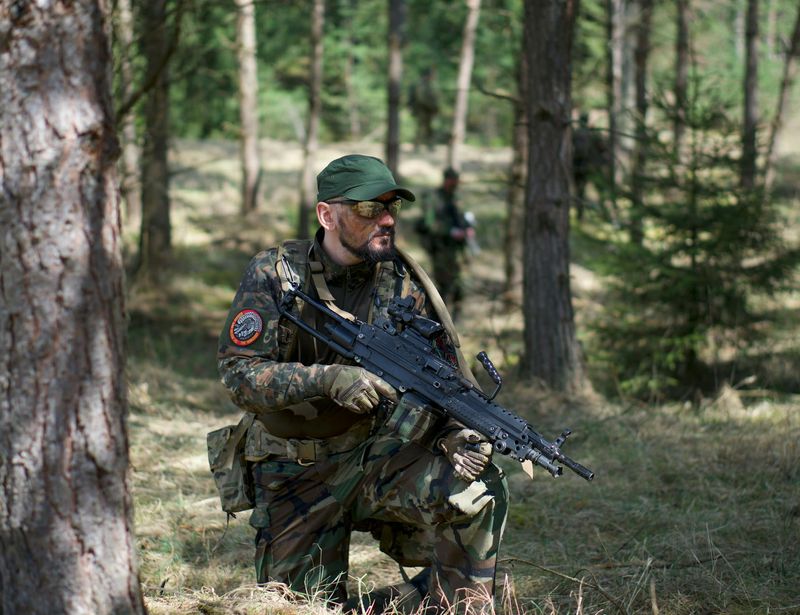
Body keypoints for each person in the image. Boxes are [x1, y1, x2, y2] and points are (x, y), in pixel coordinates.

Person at [217, 154, 508, 613]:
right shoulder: (276, 274)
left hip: (375, 459)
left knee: (477, 488)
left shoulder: (404, 284)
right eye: (370, 208)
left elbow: (444, 382)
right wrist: (328, 380)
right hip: (296, 471)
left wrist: (456, 434)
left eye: (392, 206)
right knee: (306, 605)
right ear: (327, 215)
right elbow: (240, 375)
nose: (387, 219)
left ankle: (462, 604)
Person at [414, 168, 474, 321]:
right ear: (446, 180)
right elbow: (429, 224)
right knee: (444, 285)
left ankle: (458, 316)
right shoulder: (434, 198)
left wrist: (467, 229)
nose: (454, 185)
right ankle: (442, 319)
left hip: (458, 249)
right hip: (441, 248)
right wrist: (450, 232)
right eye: (452, 181)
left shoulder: (456, 198)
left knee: (461, 283)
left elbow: (463, 218)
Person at [409, 68, 440, 151]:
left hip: (428, 111)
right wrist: (432, 107)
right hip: (423, 111)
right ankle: (417, 147)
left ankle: (429, 147)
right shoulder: (422, 84)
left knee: (429, 129)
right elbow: (421, 99)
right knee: (421, 129)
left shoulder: (429, 84)